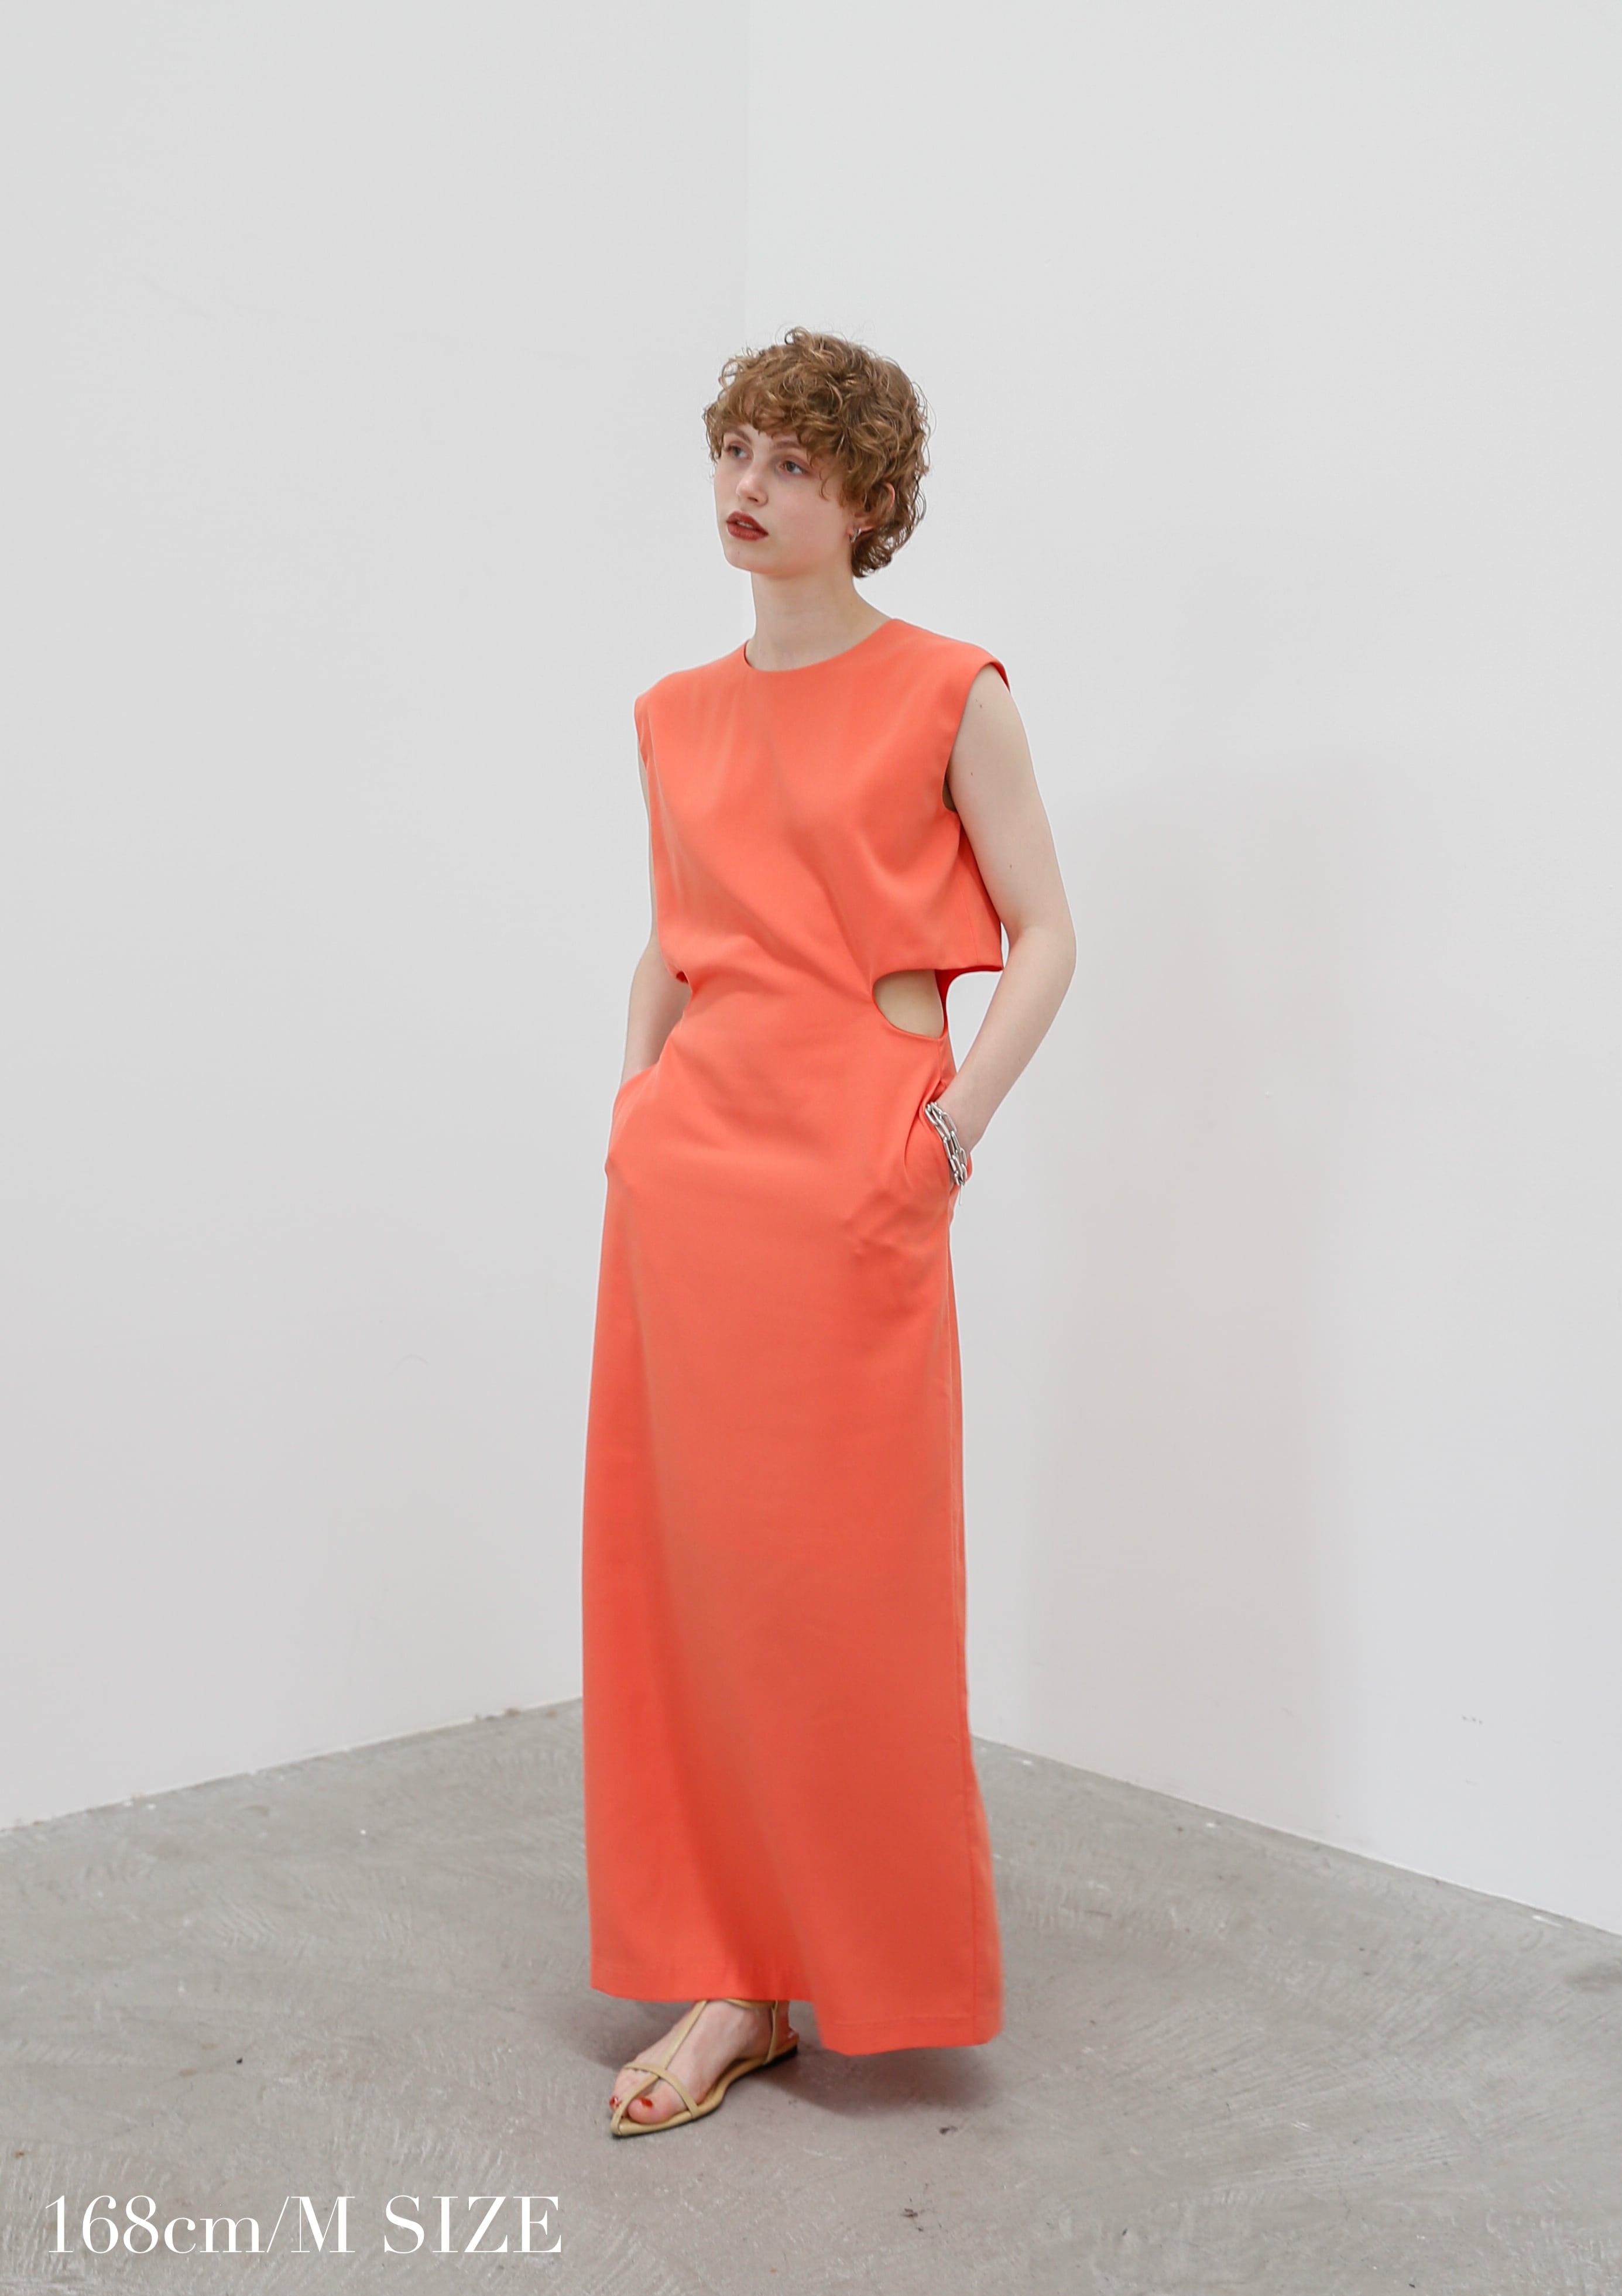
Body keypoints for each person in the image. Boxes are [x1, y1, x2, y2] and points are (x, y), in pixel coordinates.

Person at [582, 327, 1076, 2134]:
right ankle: (733, 1978)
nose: (751, 485)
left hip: (859, 1170)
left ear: (868, 498)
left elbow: (1047, 934)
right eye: (736, 449)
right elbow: (672, 936)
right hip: (694, 1178)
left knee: (843, 1587)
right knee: (688, 1577)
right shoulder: (672, 713)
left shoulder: (951, 690)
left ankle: (861, 1956)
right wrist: (632, 1113)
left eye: (795, 461)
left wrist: (948, 1130)